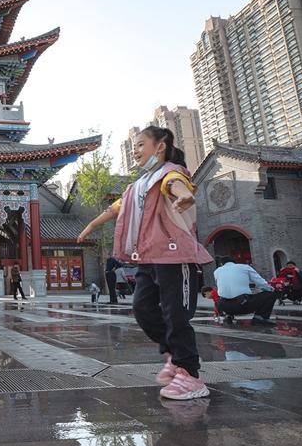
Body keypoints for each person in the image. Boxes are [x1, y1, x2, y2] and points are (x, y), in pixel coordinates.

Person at [77, 125, 213, 401]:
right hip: (148, 258)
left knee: (176, 315)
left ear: (159, 146)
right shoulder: (138, 185)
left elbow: (177, 185)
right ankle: (176, 354)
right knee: (142, 309)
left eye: (141, 145)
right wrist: (90, 225)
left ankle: (190, 375)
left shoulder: (169, 173)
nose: (136, 151)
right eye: (134, 146)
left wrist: (184, 195)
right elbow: (115, 208)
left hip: (174, 256)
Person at [213, 257, 277, 325]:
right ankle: (259, 318)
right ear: (234, 262)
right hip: (242, 304)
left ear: (221, 264)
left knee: (225, 297)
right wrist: (271, 289)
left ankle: (228, 315)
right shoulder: (244, 267)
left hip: (223, 306)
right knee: (271, 295)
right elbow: (261, 283)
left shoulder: (217, 271)